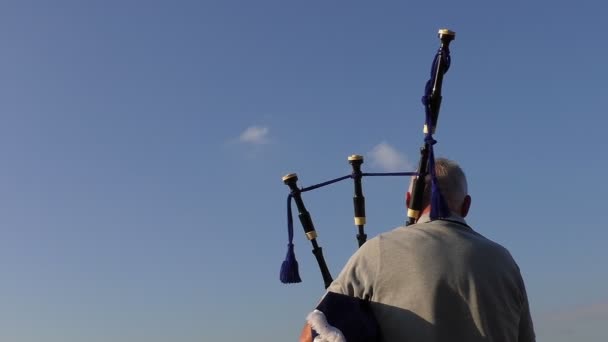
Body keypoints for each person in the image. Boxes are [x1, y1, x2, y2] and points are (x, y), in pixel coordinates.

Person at [300, 158, 535, 342]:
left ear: (408, 200)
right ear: (466, 205)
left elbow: (312, 333)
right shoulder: (504, 261)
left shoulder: (378, 251)